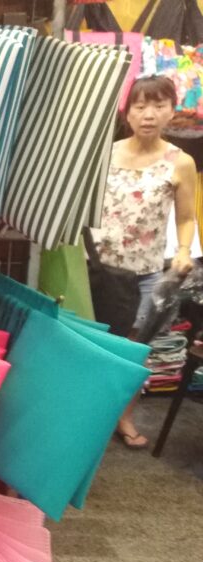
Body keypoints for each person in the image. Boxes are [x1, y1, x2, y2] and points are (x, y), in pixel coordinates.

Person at [94, 75, 197, 449]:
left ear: (172, 110)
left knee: (136, 349)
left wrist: (183, 251)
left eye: (158, 106)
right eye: (140, 106)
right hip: (101, 271)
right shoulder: (105, 154)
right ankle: (92, 416)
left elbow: (186, 217)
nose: (149, 115)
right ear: (128, 112)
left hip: (148, 274)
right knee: (100, 344)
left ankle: (124, 417)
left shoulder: (180, 162)